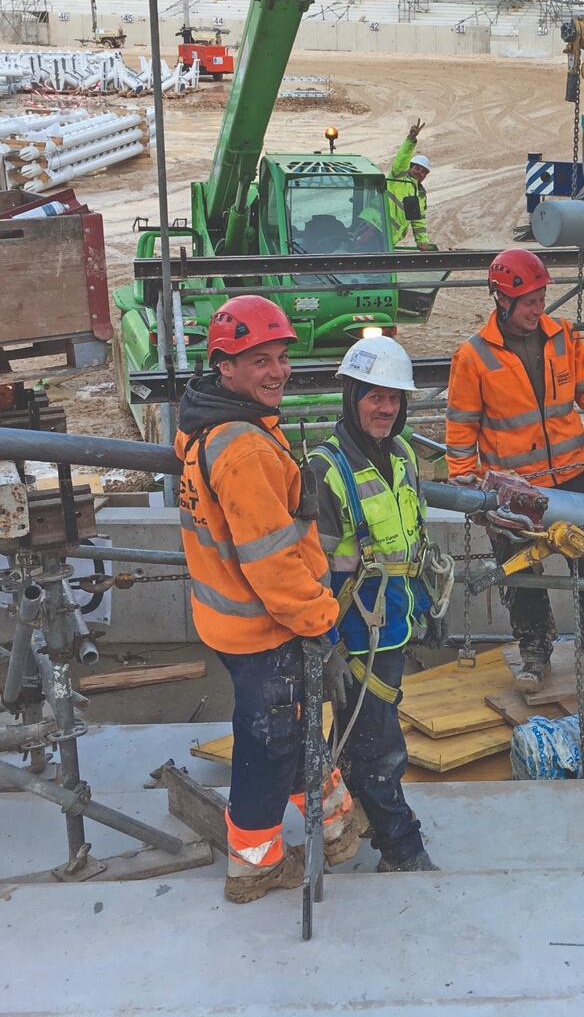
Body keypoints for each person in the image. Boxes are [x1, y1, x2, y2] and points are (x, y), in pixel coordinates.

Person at [175, 295, 360, 903]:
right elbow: (272, 562)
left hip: (235, 623)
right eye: (260, 361)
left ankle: (333, 829)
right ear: (225, 366)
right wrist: (321, 619)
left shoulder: (206, 426)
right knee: (270, 746)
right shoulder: (246, 448)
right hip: (268, 627)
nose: (277, 371)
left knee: (296, 728)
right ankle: (254, 866)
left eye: (280, 357)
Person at [445, 249, 584, 693]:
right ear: (502, 300)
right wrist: (463, 482)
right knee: (520, 575)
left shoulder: (563, 339)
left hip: (572, 477)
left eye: (541, 298)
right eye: (530, 301)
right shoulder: (474, 357)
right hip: (512, 491)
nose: (539, 309)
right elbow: (461, 425)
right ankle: (535, 652)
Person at [308, 335, 437, 873]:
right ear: (352, 395)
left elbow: (413, 542)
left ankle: (347, 819)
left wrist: (428, 604)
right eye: (374, 396)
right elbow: (308, 571)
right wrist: (328, 646)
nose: (386, 408)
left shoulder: (403, 456)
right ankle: (401, 846)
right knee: (381, 747)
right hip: (353, 636)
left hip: (394, 625)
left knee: (358, 736)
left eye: (394, 398)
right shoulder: (325, 470)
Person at [387, 118, 433, 251]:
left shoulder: (420, 195)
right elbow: (402, 158)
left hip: (391, 238)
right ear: (410, 167)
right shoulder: (398, 176)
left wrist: (422, 242)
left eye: (423, 172)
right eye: (417, 168)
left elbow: (418, 220)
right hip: (373, 226)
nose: (419, 172)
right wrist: (411, 140)